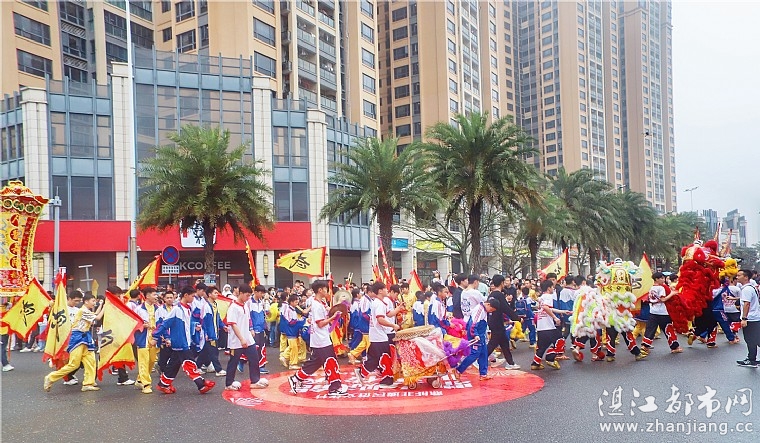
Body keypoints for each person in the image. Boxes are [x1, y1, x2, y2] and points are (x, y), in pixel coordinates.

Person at [288, 281, 348, 397]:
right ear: (320, 290)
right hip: (321, 339)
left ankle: (295, 378)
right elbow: (320, 323)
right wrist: (333, 318)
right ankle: (334, 387)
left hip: (320, 337)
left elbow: (327, 316)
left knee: (315, 362)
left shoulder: (320, 303)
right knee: (330, 361)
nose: (327, 291)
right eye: (325, 289)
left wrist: (335, 311)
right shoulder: (316, 305)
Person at [151, 286, 215, 395]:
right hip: (180, 342)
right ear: (186, 295)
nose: (193, 298)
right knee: (189, 363)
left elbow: (187, 324)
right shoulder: (177, 309)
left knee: (173, 365)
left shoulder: (188, 309)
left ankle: (163, 383)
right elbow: (165, 323)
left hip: (185, 341)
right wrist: (155, 337)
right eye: (192, 296)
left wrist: (194, 326)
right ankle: (201, 384)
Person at [44, 293, 105, 392]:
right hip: (77, 338)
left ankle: (88, 383)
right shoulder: (82, 311)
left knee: (91, 361)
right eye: (93, 301)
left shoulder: (84, 310)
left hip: (86, 337)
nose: (94, 303)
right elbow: (97, 317)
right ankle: (51, 377)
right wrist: (105, 307)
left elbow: (95, 315)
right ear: (86, 302)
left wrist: (102, 305)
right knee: (74, 364)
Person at [355, 282, 400, 387]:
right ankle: (387, 380)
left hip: (378, 335)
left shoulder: (380, 302)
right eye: (385, 289)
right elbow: (380, 319)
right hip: (379, 336)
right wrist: (393, 325)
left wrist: (398, 309)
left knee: (375, 358)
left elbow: (389, 314)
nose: (387, 290)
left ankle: (361, 372)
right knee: (385, 357)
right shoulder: (378, 303)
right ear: (380, 291)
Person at [224, 285, 268, 390]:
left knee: (254, 358)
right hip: (236, 340)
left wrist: (250, 330)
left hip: (248, 338)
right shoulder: (233, 307)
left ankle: (255, 380)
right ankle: (229, 383)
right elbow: (233, 324)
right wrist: (241, 339)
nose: (248, 298)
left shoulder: (245, 306)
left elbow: (248, 320)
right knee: (233, 361)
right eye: (247, 295)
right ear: (241, 293)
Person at [531, 280, 569, 370]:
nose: (553, 289)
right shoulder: (548, 296)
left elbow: (548, 308)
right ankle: (550, 358)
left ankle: (535, 363)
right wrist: (555, 318)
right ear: (549, 288)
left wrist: (562, 311)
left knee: (542, 346)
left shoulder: (542, 297)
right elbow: (546, 307)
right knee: (560, 341)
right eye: (552, 287)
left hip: (541, 326)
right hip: (548, 326)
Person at [641, 272, 682, 354]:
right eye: (662, 278)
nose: (663, 280)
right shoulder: (661, 288)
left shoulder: (652, 288)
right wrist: (672, 293)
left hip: (653, 311)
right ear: (656, 279)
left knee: (650, 330)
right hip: (663, 312)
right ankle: (674, 347)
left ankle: (645, 346)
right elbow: (663, 299)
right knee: (668, 329)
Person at [455, 297, 494, 381]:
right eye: (491, 309)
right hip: (476, 335)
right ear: (488, 304)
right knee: (474, 354)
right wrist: (475, 335)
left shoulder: (483, 309)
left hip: (480, 335)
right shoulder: (479, 310)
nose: (490, 311)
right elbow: (473, 323)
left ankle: (483, 374)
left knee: (484, 353)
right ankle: (459, 370)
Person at [486, 275, 520, 370]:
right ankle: (479, 359)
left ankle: (510, 363)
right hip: (497, 322)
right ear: (501, 283)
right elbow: (506, 309)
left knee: (504, 342)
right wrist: (517, 318)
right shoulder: (499, 295)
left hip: (493, 321)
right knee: (493, 343)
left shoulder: (491, 295)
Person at [134, 287, 160, 394]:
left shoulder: (158, 309)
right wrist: (142, 325)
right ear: (147, 296)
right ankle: (146, 384)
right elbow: (133, 323)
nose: (156, 296)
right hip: (142, 338)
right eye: (154, 294)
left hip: (154, 338)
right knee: (143, 361)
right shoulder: (138, 309)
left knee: (152, 360)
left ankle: (140, 380)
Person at [736, 269, 760, 367]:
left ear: (746, 277)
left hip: (751, 318)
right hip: (754, 317)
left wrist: (744, 318)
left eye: (739, 275)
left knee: (751, 340)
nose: (737, 277)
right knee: (755, 339)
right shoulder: (750, 288)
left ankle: (751, 359)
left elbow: (747, 304)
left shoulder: (747, 289)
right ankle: (751, 358)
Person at [155, 290, 175, 374]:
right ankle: (162, 370)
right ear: (164, 299)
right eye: (167, 298)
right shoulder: (160, 310)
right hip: (164, 337)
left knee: (174, 356)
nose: (169, 299)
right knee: (164, 356)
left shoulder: (176, 309)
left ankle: (165, 370)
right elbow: (159, 324)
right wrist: (165, 337)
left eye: (171, 297)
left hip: (174, 335)